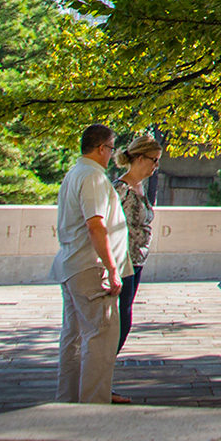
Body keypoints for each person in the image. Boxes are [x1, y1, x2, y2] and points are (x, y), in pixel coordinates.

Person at [53, 124, 131, 405]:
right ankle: (94, 408)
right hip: (90, 268)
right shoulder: (93, 177)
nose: (112, 155)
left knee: (73, 339)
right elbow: (95, 225)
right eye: (111, 149)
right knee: (100, 339)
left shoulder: (74, 173)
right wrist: (112, 269)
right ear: (101, 148)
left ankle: (68, 400)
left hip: (71, 265)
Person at [113, 134, 162, 356]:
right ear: (140, 158)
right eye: (154, 160)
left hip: (137, 261)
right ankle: (98, 382)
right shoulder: (120, 189)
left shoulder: (141, 188)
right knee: (121, 321)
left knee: (124, 319)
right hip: (122, 263)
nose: (156, 166)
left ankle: (104, 380)